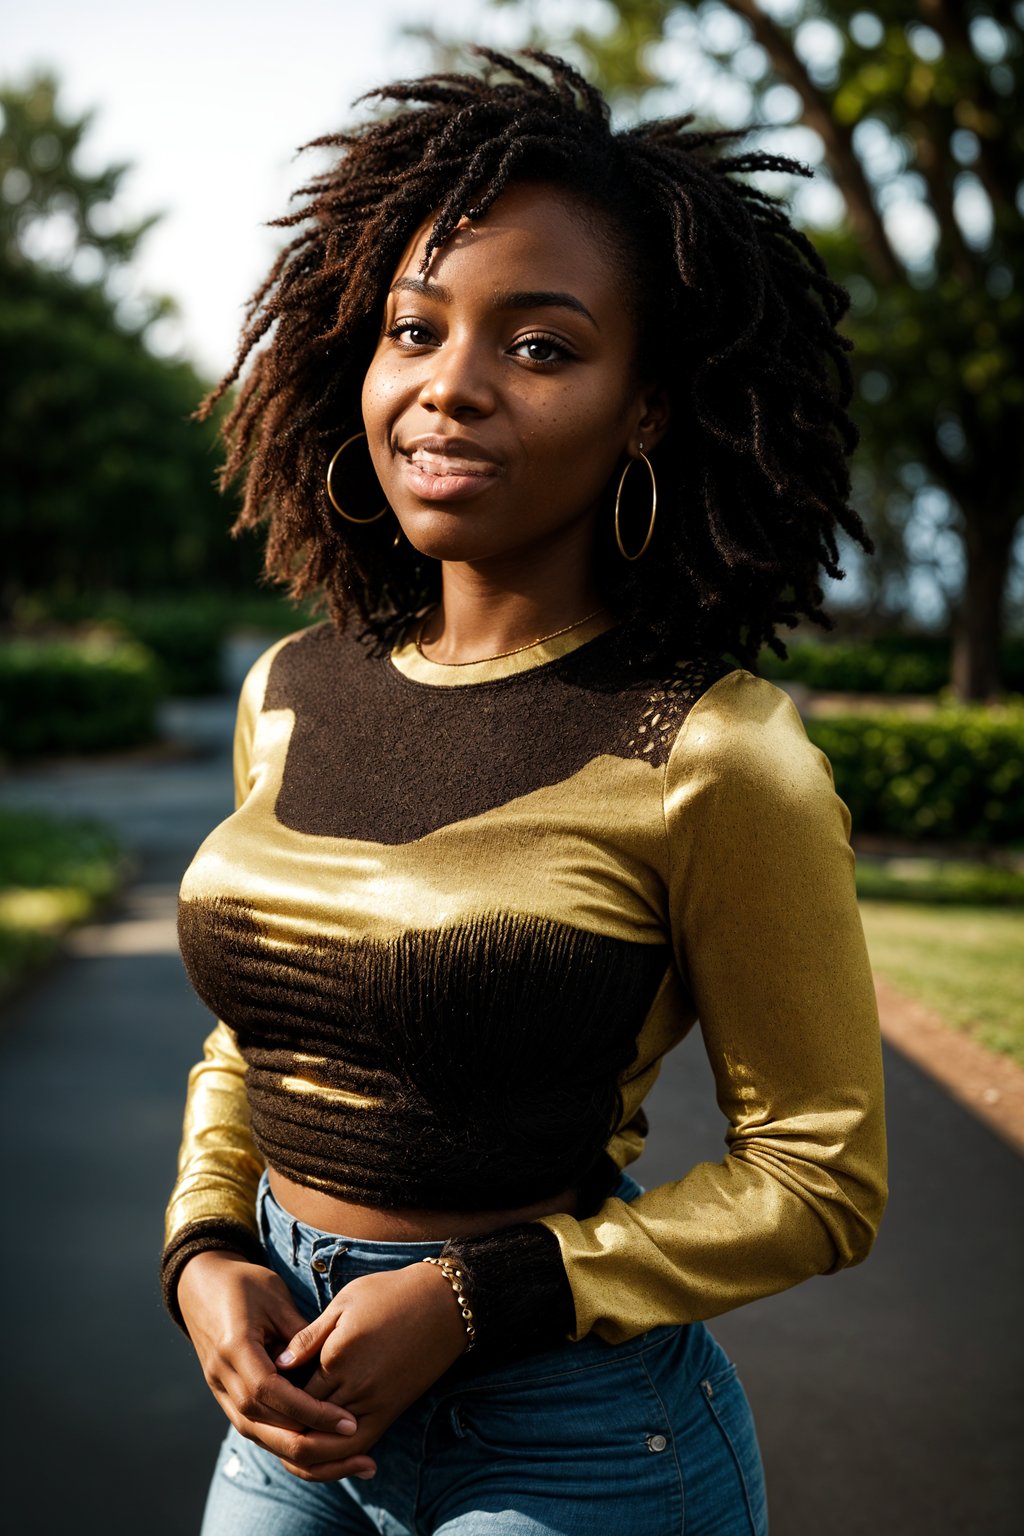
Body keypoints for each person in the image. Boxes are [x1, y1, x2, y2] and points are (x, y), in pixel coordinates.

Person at [162, 49, 887, 1536]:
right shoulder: (291, 690)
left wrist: (484, 1294)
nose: (449, 386)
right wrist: (205, 1247)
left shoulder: (712, 749)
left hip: (578, 1444)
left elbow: (819, 1173)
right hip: (292, 1417)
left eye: (541, 346)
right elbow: (258, 1029)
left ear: (648, 410)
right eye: (412, 330)